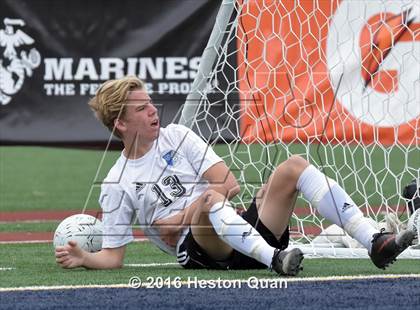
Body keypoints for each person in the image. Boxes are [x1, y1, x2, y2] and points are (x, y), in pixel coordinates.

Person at [55, 76, 415, 273]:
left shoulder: (178, 135)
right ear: (120, 123)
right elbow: (113, 257)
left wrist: (185, 213)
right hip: (203, 251)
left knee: (294, 165)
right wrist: (86, 258)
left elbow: (229, 183)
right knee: (210, 201)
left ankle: (375, 243)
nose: (153, 110)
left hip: (238, 226)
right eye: (142, 107)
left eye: (151, 102)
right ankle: (275, 260)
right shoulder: (118, 182)